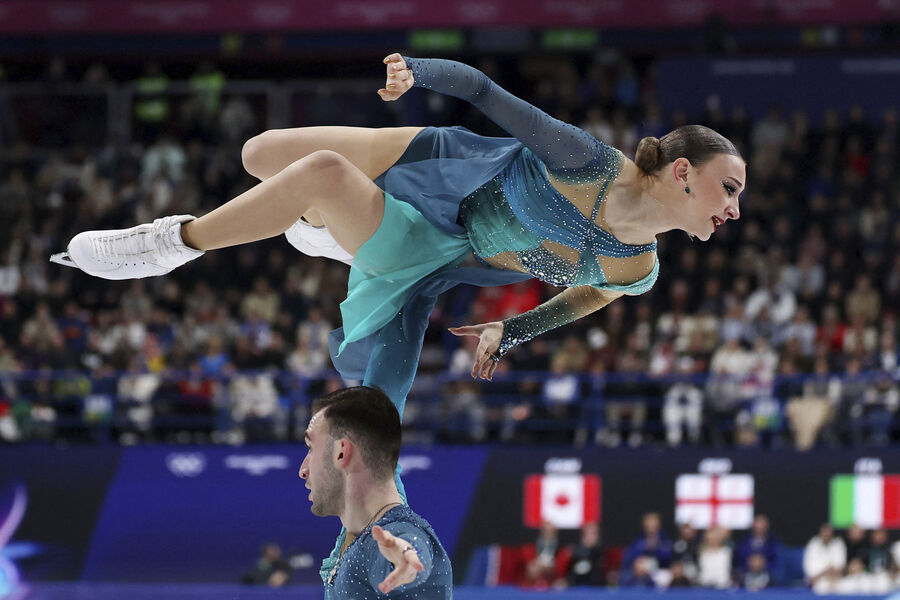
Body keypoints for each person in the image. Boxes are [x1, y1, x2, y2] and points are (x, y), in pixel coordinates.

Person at [53, 53, 745, 406]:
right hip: (436, 163)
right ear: (682, 172)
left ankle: (171, 245)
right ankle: (321, 228)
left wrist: (515, 330)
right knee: (259, 155)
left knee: (318, 173)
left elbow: (594, 294)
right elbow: (484, 93)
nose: (735, 209)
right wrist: (418, 72)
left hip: (433, 241)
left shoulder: (637, 268)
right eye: (730, 189)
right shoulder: (586, 162)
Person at [299, 386, 451, 598]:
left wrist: (404, 555)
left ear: (341, 452)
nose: (303, 470)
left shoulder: (392, 534)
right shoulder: (360, 535)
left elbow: (407, 545)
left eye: (311, 448)